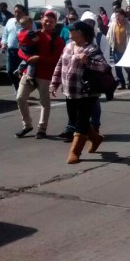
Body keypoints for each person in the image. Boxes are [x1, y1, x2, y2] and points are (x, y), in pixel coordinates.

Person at [50, 21, 110, 163]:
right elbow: (60, 64)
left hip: (86, 92)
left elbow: (104, 67)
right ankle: (96, 138)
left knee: (81, 122)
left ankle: (75, 152)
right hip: (69, 90)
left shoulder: (91, 48)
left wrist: (87, 61)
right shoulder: (68, 46)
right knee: (75, 119)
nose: (69, 32)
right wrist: (54, 83)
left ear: (81, 33)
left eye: (72, 30)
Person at [15, 11, 65, 139]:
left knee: (44, 103)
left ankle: (42, 129)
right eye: (46, 20)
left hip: (45, 75)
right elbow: (21, 49)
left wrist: (39, 58)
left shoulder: (58, 40)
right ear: (41, 19)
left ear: (55, 24)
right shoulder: (33, 34)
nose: (48, 23)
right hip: (29, 73)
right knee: (20, 98)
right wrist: (28, 58)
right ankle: (27, 125)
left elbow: (56, 60)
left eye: (51, 21)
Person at [1, 4, 28, 92]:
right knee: (10, 71)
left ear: (23, 13)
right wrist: (4, 43)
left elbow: (33, 35)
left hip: (23, 51)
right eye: (15, 12)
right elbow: (5, 34)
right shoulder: (10, 21)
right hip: (11, 50)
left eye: (19, 12)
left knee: (20, 72)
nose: (17, 14)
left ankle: (21, 90)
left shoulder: (28, 22)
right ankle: (18, 88)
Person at [108, 9, 130, 89]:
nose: (117, 17)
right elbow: (108, 36)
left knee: (128, 67)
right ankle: (121, 83)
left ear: (124, 15)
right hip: (116, 49)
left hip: (126, 50)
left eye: (119, 15)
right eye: (116, 16)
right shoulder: (113, 25)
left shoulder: (129, 25)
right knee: (118, 68)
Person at [14, 16, 40, 85]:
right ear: (29, 24)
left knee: (25, 60)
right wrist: (38, 37)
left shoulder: (20, 32)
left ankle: (19, 70)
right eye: (31, 23)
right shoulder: (30, 32)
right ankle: (30, 75)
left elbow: (19, 40)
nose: (32, 25)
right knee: (31, 62)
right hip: (29, 49)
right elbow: (35, 39)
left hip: (23, 49)